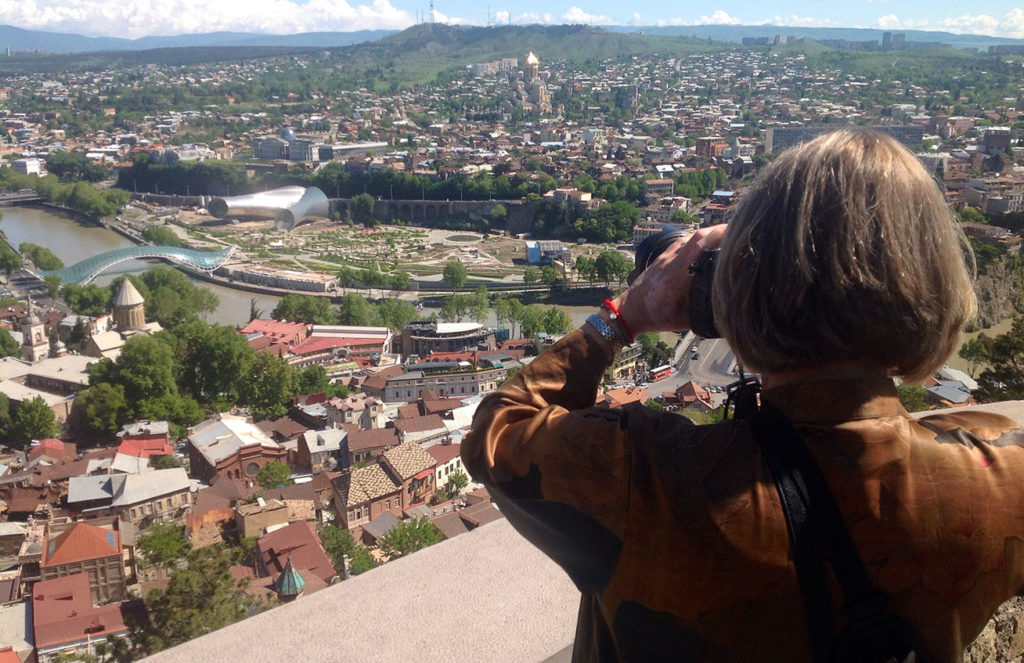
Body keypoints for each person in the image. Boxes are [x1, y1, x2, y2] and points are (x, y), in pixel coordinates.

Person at [461, 128, 1024, 662]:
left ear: (740, 291)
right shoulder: (998, 480)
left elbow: (497, 433)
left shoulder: (647, 479)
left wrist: (627, 314)